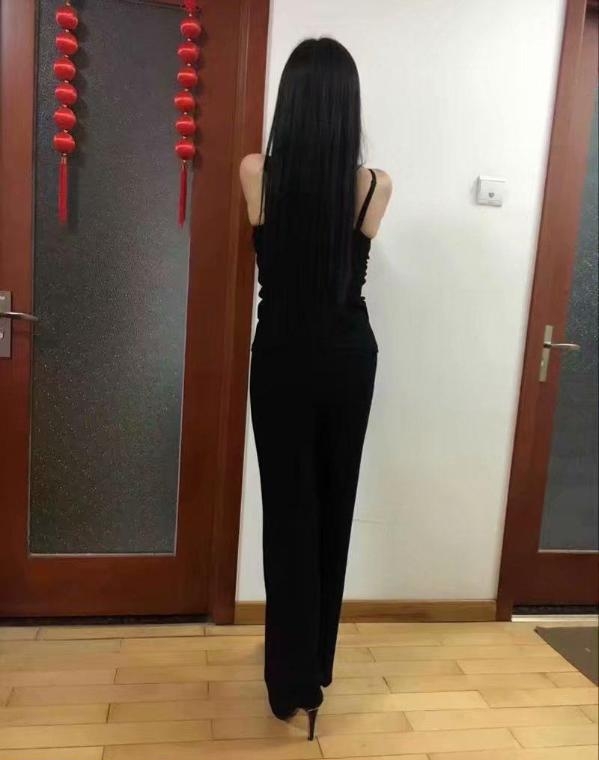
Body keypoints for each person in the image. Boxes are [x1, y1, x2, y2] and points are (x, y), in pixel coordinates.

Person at [239, 36, 392, 740]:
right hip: (347, 359)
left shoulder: (256, 173)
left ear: (290, 103)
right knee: (333, 508)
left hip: (280, 358)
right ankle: (314, 673)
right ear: (347, 106)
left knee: (288, 515)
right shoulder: (373, 185)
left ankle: (289, 680)